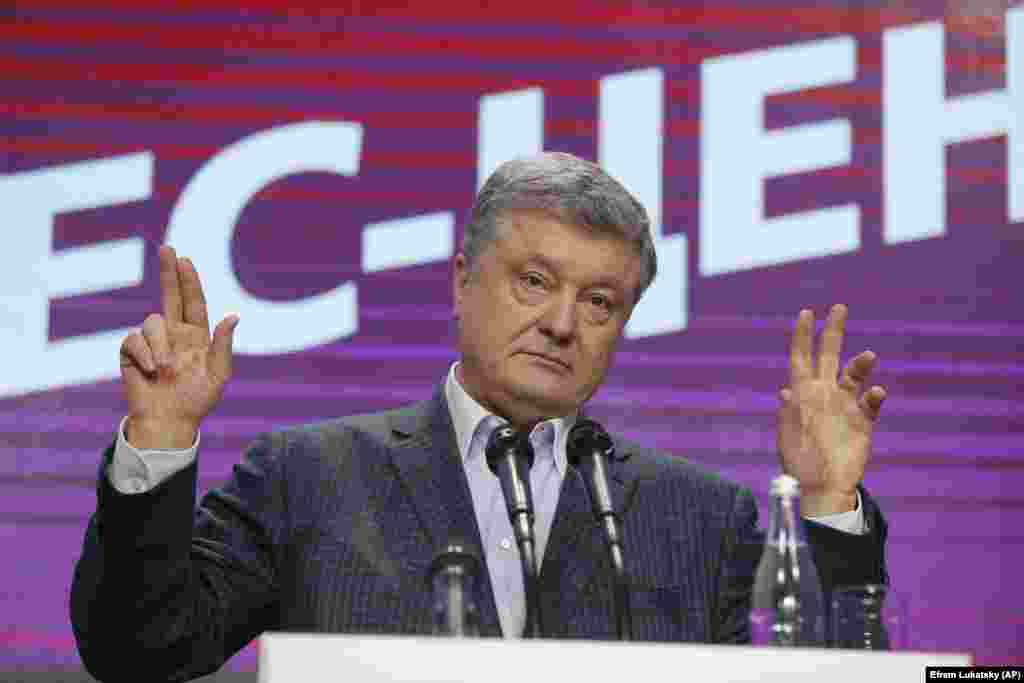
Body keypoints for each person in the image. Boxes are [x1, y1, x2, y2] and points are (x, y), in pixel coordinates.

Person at [71, 152, 888, 682]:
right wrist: (159, 444)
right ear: (463, 280)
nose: (564, 322)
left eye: (598, 301)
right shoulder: (307, 476)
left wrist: (828, 508)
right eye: (534, 281)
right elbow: (138, 651)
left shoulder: (703, 516)